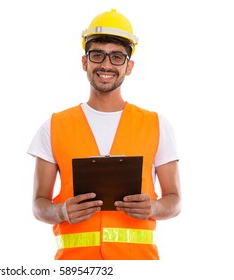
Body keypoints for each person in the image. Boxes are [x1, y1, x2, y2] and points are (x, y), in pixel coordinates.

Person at [27, 8, 182, 260]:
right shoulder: (54, 125)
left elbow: (175, 201)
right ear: (84, 62)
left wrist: (153, 207)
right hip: (76, 267)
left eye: (117, 57)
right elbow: (38, 204)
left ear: (129, 67)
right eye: (97, 55)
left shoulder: (156, 124)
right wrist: (61, 212)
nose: (106, 65)